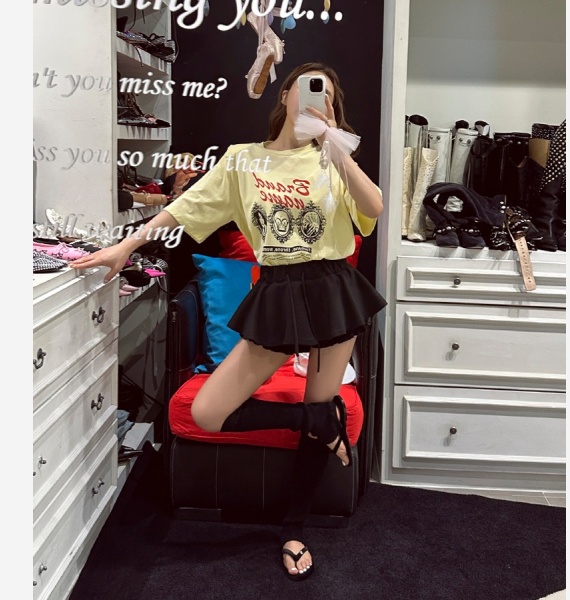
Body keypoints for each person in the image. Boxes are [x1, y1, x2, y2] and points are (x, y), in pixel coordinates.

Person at [71, 62, 386, 581]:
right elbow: (186, 207)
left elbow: (373, 208)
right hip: (278, 291)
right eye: (309, 89)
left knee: (320, 400)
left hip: (333, 288)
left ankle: (294, 528)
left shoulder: (333, 157)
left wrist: (335, 145)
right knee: (209, 411)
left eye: (328, 95)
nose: (317, 99)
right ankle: (316, 421)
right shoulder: (244, 160)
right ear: (284, 95)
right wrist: (127, 245)